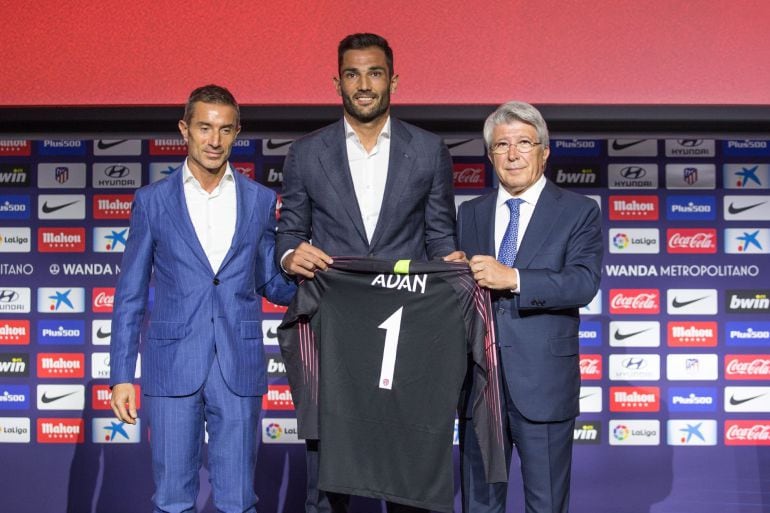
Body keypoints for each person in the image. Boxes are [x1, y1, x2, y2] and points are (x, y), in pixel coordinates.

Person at [276, 33, 464, 513]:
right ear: (336, 81)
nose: (364, 84)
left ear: (393, 81)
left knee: (406, 473)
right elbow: (289, 232)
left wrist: (452, 266)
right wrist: (289, 256)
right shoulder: (305, 153)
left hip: (406, 335)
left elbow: (440, 237)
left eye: (375, 73)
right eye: (353, 74)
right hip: (334, 333)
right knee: (327, 480)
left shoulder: (427, 150)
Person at [109, 84, 296, 513]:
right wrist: (121, 374)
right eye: (205, 128)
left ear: (236, 133)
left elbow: (271, 282)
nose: (215, 140)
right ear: (185, 130)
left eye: (225, 130)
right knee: (172, 498)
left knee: (238, 500)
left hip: (238, 363)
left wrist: (303, 270)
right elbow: (130, 295)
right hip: (171, 364)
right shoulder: (152, 202)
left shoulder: (260, 200)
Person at [458, 101, 602, 513]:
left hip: (543, 384)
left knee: (546, 504)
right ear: (490, 155)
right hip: (478, 386)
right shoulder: (470, 213)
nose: (513, 153)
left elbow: (582, 282)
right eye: (501, 145)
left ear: (545, 151)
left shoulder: (577, 211)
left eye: (524, 142)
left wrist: (514, 278)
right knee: (479, 505)